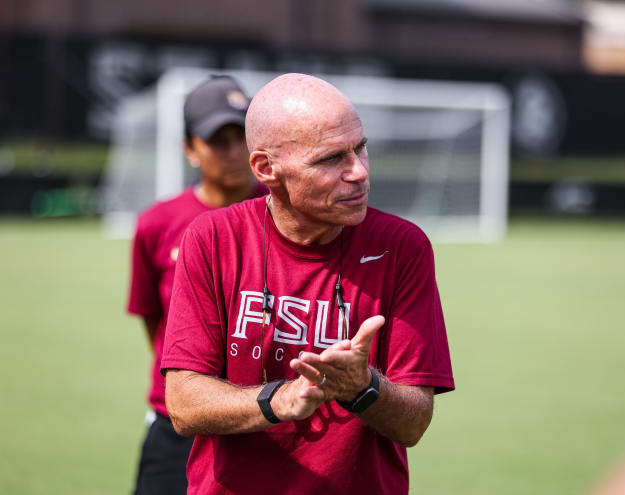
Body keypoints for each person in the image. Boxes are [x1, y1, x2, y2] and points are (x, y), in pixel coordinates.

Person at [161, 73, 454, 494]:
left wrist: (362, 386)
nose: (358, 172)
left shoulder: (403, 248)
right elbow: (184, 405)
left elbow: (414, 422)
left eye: (361, 148)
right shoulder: (211, 238)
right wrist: (279, 400)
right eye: (331, 159)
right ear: (266, 169)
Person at [127, 75, 267, 495]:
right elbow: (155, 318)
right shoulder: (157, 224)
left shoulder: (288, 215)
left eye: (241, 136)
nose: (234, 152)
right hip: (178, 424)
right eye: (217, 140)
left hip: (265, 414)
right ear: (190, 148)